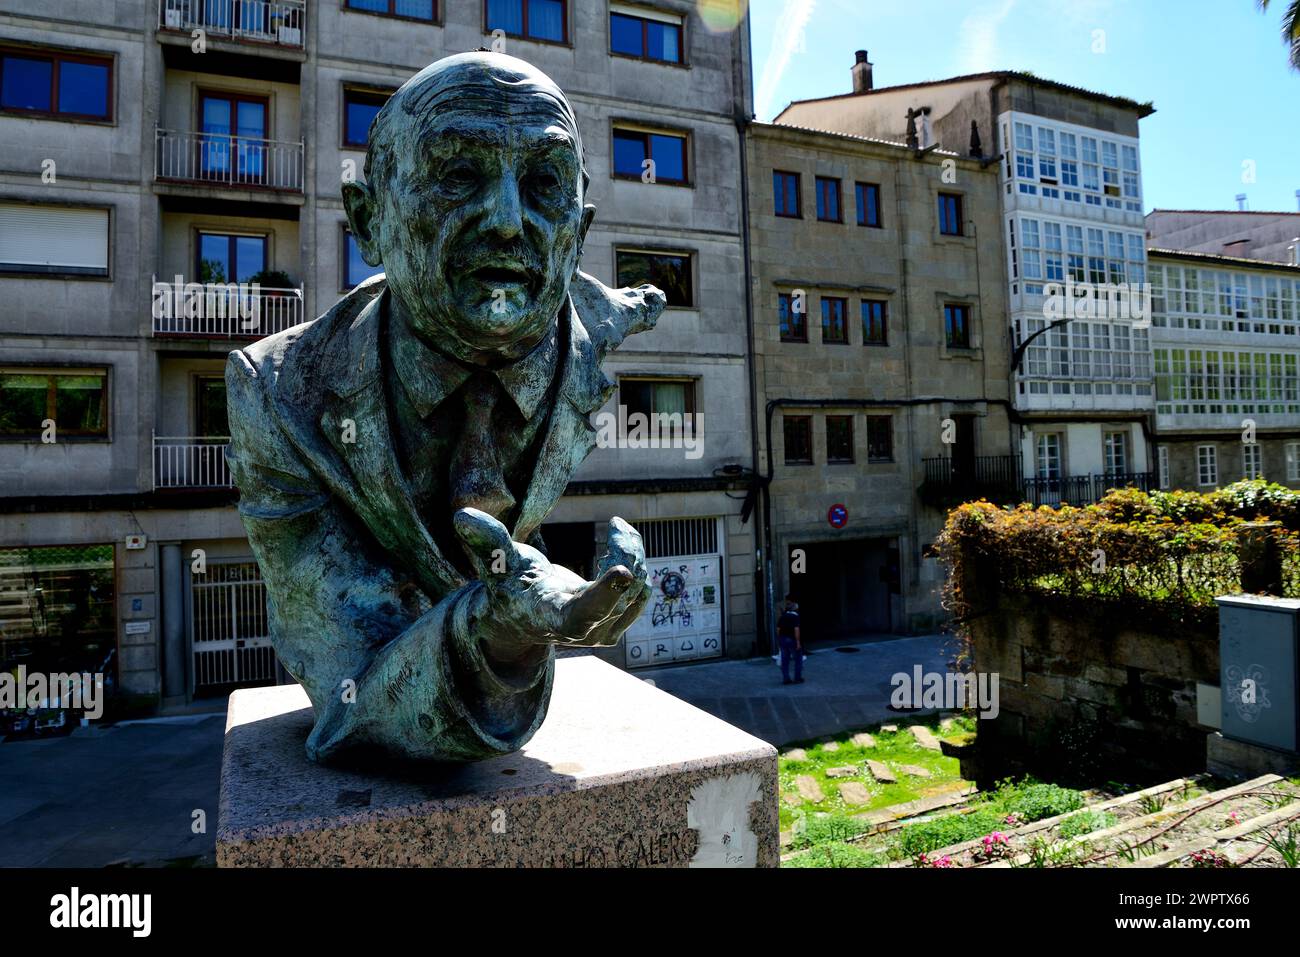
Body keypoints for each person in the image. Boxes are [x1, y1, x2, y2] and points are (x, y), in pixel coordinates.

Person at [224, 52, 665, 763]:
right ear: (369, 223)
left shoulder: (582, 335)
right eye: (458, 174)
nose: (507, 222)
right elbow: (350, 685)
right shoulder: (279, 395)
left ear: (578, 234)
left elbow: (592, 305)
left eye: (543, 182)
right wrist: (493, 633)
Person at [776, 597, 803, 685]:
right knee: (798, 659)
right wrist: (798, 642)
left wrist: (779, 640)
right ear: (795, 609)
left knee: (785, 660)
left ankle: (786, 678)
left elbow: (778, 630)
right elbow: (796, 630)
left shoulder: (782, 617)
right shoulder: (795, 617)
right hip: (792, 639)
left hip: (783, 639)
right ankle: (797, 678)